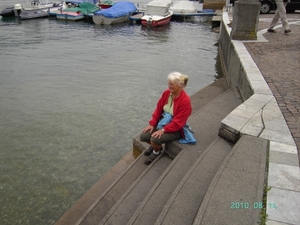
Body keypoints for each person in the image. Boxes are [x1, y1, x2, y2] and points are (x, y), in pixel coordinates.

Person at [140, 72, 192, 165]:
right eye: (169, 83)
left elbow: (178, 122)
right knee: (143, 136)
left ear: (180, 85)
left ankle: (156, 151)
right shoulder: (167, 93)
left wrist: (163, 130)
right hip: (162, 122)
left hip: (176, 129)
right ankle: (156, 147)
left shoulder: (185, 101)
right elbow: (158, 109)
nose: (169, 86)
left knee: (155, 139)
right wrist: (152, 124)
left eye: (172, 84)